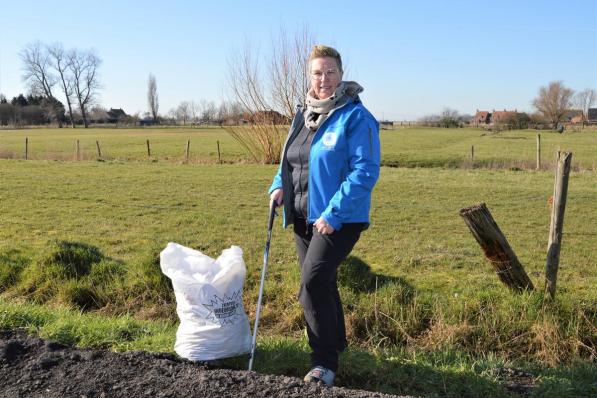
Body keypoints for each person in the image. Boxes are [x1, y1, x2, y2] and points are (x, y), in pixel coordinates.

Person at [268, 45, 381, 386]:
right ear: (309, 76)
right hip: (303, 218)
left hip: (339, 219)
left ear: (341, 74)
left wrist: (333, 213)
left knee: (312, 284)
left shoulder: (356, 117)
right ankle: (338, 343)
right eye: (317, 72)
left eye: (330, 72)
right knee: (322, 284)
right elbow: (289, 160)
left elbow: (365, 171)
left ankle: (324, 363)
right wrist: (277, 186)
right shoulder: (302, 115)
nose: (324, 79)